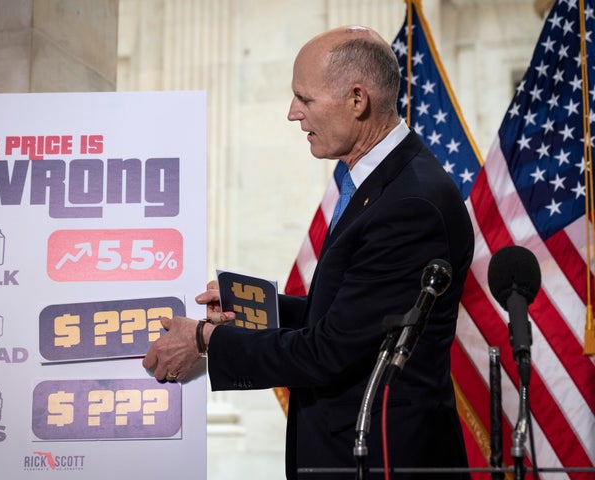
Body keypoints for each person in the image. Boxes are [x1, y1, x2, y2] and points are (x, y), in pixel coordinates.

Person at [143, 25, 474, 480]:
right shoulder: (383, 183)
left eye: (305, 98)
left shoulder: (410, 205)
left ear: (357, 100)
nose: (292, 113)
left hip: (381, 460)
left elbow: (329, 352)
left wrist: (204, 339)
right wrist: (251, 309)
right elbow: (353, 317)